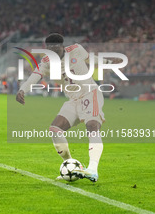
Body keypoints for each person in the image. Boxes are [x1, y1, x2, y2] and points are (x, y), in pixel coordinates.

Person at [16, 33, 112, 182]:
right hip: (73, 100)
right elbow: (35, 76)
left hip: (90, 93)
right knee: (55, 129)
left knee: (92, 126)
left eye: (55, 48)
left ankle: (93, 169)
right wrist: (22, 90)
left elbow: (91, 59)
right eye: (49, 48)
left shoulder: (76, 49)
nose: (52, 51)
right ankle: (71, 166)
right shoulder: (46, 62)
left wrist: (107, 61)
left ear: (62, 46)